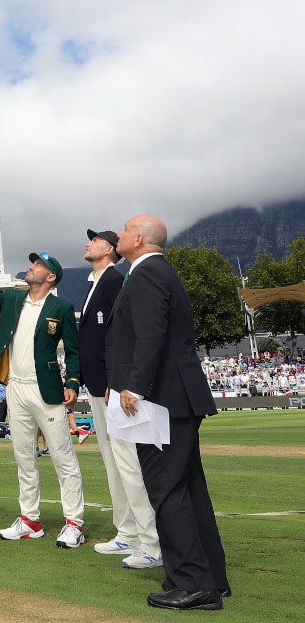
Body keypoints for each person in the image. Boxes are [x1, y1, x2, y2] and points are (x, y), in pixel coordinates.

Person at [105, 215, 229, 610]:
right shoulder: (157, 272)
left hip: (161, 400)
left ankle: (195, 584)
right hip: (173, 397)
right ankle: (206, 577)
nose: (118, 235)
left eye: (124, 230)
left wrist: (134, 387)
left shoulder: (146, 274)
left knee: (167, 490)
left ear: (138, 239)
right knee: (188, 489)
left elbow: (150, 333)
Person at [0, 231, 85, 548]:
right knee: (24, 457)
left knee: (62, 458)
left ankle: (74, 523)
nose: (31, 267)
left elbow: (73, 351)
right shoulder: (13, 299)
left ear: (51, 275)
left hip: (48, 392)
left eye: (38, 264)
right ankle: (30, 520)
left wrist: (72, 382)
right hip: (15, 388)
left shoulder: (62, 307)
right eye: (32, 263)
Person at [78, 227, 161, 570]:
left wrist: (116, 379)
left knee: (129, 463)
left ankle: (150, 540)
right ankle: (127, 531)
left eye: (96, 240)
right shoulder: (98, 281)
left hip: (112, 386)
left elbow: (121, 335)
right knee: (115, 464)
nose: (88, 243)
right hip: (99, 385)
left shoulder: (114, 280)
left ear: (110, 249)